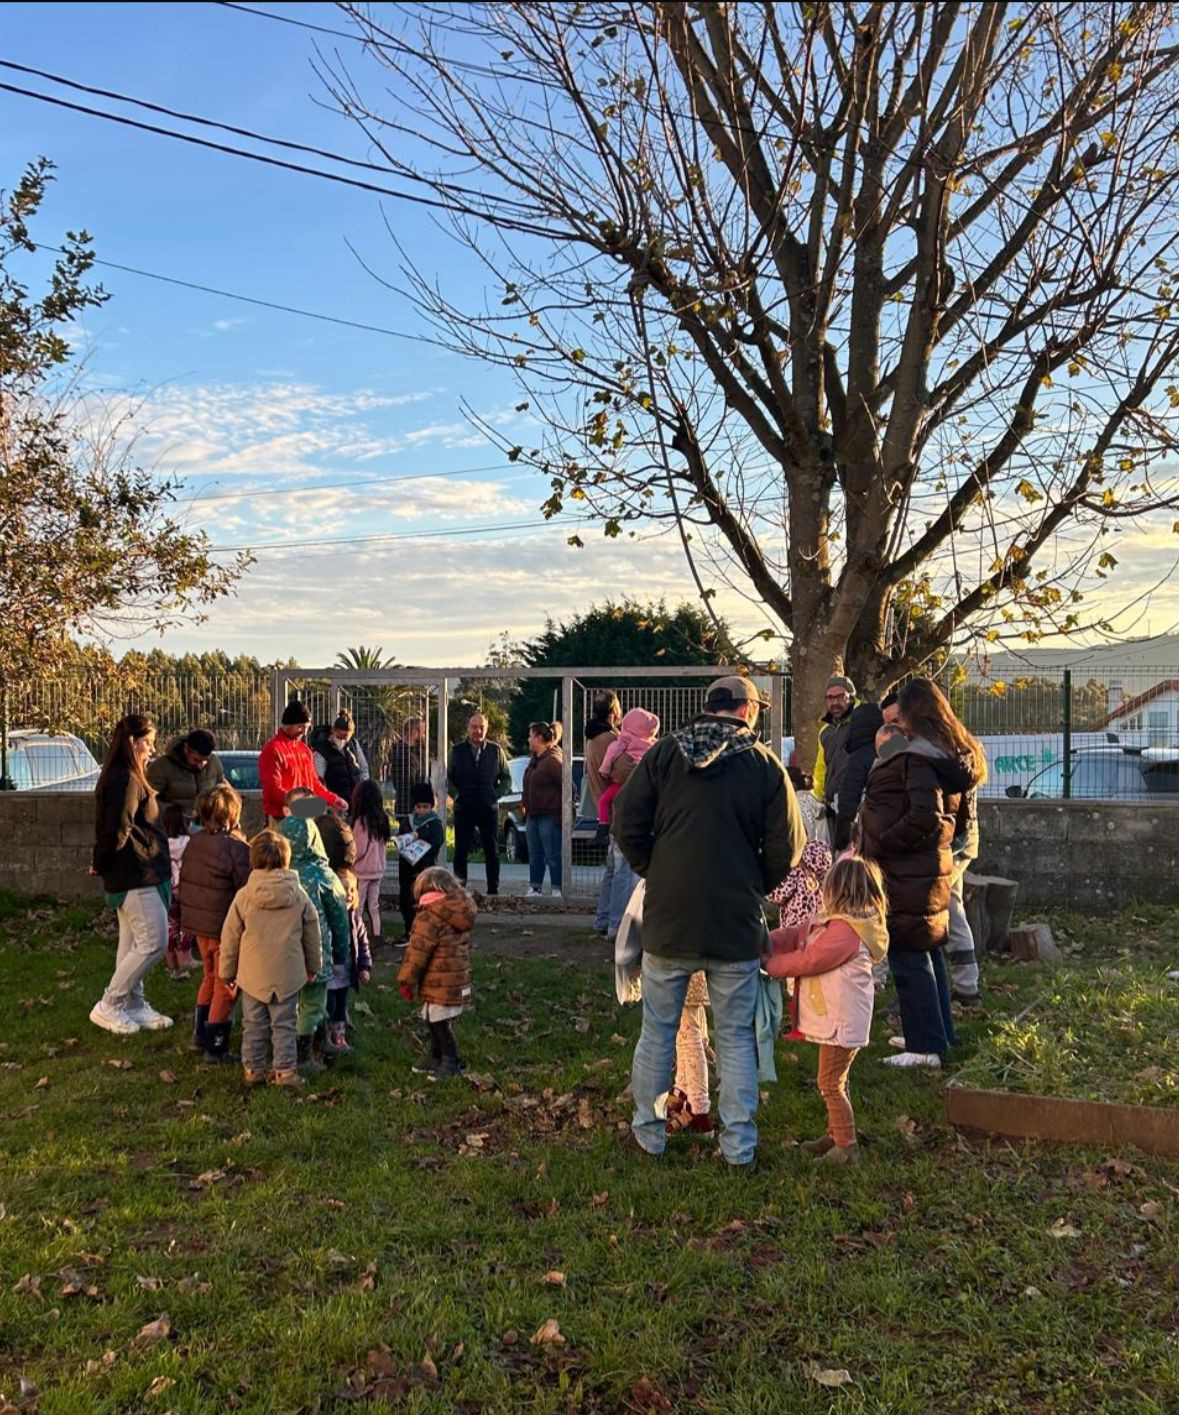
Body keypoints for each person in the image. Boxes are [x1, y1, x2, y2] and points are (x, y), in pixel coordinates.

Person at [613, 675, 806, 1171]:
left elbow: (625, 823)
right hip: (734, 924)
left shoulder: (663, 756)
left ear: (707, 707)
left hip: (669, 920)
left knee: (656, 1031)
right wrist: (752, 881)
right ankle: (739, 1148)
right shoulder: (763, 765)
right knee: (736, 1035)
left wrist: (658, 870)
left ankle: (648, 1135)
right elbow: (790, 845)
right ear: (746, 710)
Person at [858, 677, 984, 1069]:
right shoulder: (948, 755)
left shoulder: (919, 758)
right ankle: (935, 1031)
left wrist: (882, 843)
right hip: (928, 866)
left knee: (908, 956)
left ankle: (924, 1047)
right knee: (927, 951)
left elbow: (925, 815)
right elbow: (955, 821)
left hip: (907, 871)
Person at [763, 855, 889, 1165]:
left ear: (838, 891)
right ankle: (835, 1134)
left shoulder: (847, 931)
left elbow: (810, 959)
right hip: (839, 1018)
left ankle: (846, 1145)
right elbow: (798, 934)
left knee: (830, 1083)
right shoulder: (835, 923)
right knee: (834, 1080)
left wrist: (769, 965)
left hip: (844, 1020)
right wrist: (765, 940)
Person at [898, 680, 988, 1008]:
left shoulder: (928, 750)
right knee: (953, 906)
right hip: (965, 834)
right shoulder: (960, 741)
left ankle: (961, 988)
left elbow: (929, 807)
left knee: (943, 907)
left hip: (951, 840)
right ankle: (964, 986)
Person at [89, 714, 174, 1037]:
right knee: (154, 942)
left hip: (139, 870)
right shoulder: (125, 779)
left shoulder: (126, 776)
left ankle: (133, 1004)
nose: (152, 749)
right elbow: (117, 829)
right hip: (135, 873)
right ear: (131, 742)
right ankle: (110, 1004)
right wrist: (101, 862)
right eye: (148, 742)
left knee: (133, 944)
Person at [219, 830, 322, 1089]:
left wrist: (227, 973)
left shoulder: (244, 896)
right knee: (285, 1024)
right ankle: (285, 1072)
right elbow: (312, 932)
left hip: (253, 974)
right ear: (287, 859)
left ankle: (253, 1069)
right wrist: (313, 966)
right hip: (288, 973)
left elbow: (230, 936)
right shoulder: (298, 895)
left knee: (253, 1024)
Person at [179, 783, 252, 1062]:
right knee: (227, 982)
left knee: (209, 976)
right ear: (232, 816)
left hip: (199, 924)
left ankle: (200, 1033)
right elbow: (246, 886)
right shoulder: (236, 848)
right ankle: (216, 1045)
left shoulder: (195, 843)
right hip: (225, 927)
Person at [276, 811, 351, 1072]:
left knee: (284, 1003)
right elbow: (340, 919)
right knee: (313, 1003)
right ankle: (304, 1053)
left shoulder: (273, 875)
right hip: (313, 952)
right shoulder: (324, 876)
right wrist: (342, 953)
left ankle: (280, 1044)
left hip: (278, 953)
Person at [397, 867, 476, 1077]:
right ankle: (436, 1056)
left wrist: (407, 980)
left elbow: (417, 953)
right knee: (434, 1019)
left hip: (439, 981)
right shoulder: (457, 910)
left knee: (439, 1022)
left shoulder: (429, 916)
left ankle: (450, 1061)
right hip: (456, 980)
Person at [446, 712, 511, 896]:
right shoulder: (456, 751)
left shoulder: (496, 751)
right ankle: (460, 890)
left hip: (488, 808)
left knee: (492, 851)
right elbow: (447, 778)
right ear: (468, 728)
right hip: (464, 808)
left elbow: (506, 778)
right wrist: (457, 795)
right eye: (474, 726)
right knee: (461, 851)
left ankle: (493, 890)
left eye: (482, 727)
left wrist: (494, 795)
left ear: (487, 728)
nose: (478, 730)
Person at [258, 702, 347, 826]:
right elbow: (273, 790)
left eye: (307, 728)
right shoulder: (272, 750)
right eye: (301, 727)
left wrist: (332, 799)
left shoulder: (304, 750)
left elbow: (314, 784)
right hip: (282, 819)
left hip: (305, 817)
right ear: (288, 724)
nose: (304, 733)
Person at [582, 691, 621, 936]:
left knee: (611, 870)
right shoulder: (611, 740)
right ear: (614, 711)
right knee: (622, 872)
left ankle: (602, 919)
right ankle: (616, 923)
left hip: (602, 806)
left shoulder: (591, 739)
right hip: (618, 810)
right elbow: (621, 772)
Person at [832, 702, 884, 851]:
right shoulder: (886, 752)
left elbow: (848, 798)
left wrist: (840, 840)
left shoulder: (858, 757)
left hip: (866, 829)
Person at [521, 721, 565, 899]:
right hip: (533, 815)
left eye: (531, 736)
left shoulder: (553, 761)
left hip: (549, 815)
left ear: (539, 738)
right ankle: (535, 887)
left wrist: (561, 810)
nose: (528, 740)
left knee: (552, 853)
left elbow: (567, 786)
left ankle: (557, 888)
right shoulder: (535, 761)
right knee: (535, 853)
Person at [597, 707, 660, 826]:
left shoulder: (626, 738)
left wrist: (605, 768)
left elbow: (612, 751)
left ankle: (603, 827)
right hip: (642, 782)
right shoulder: (653, 744)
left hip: (621, 782)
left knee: (604, 801)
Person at [397, 782, 445, 938]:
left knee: (426, 901)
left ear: (430, 806)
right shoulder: (407, 822)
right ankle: (408, 929)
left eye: (425, 807)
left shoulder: (434, 823)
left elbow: (437, 842)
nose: (422, 810)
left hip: (426, 868)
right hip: (407, 868)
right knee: (406, 901)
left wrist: (422, 837)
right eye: (418, 807)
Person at [146, 729, 225, 821]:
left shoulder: (214, 763)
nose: (200, 765)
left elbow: (221, 789)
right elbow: (149, 797)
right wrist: (168, 811)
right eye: (196, 760)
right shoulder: (162, 766)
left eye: (204, 761)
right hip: (173, 825)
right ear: (186, 750)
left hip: (207, 824)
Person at [812, 675, 857, 832]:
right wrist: (818, 797)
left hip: (858, 806)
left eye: (840, 697)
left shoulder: (863, 724)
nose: (835, 702)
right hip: (831, 807)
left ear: (851, 698)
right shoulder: (825, 732)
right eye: (830, 698)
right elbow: (821, 767)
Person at [351, 778, 392, 946]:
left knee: (358, 907)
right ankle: (376, 936)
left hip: (362, 870)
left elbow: (358, 849)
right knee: (374, 906)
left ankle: (357, 938)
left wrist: (350, 861)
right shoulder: (383, 820)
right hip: (378, 870)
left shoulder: (361, 822)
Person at [162, 804, 198, 978]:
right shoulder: (189, 843)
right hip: (186, 887)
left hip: (168, 887)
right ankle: (185, 956)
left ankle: (170, 958)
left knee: (170, 924)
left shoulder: (160, 844)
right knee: (187, 924)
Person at [310, 709, 370, 805]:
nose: (342, 741)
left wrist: (363, 790)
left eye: (345, 738)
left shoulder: (353, 745)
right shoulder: (321, 751)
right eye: (339, 737)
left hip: (355, 801)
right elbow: (319, 780)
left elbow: (363, 769)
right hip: (334, 803)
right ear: (333, 731)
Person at [388, 716, 428, 826]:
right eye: (422, 732)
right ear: (414, 732)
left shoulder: (420, 749)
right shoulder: (399, 751)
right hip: (406, 804)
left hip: (420, 802)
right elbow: (402, 780)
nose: (423, 735)